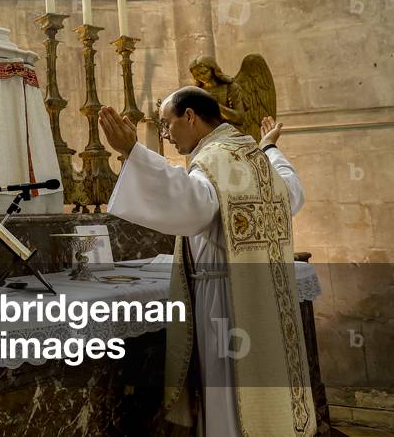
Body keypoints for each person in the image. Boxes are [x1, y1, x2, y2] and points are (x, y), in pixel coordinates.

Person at [98, 87, 316, 437]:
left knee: (228, 389)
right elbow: (292, 190)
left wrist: (132, 152)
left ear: (190, 117)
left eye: (168, 125)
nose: (167, 136)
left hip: (226, 300)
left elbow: (190, 203)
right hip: (270, 298)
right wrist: (271, 146)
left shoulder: (214, 160)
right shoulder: (254, 155)